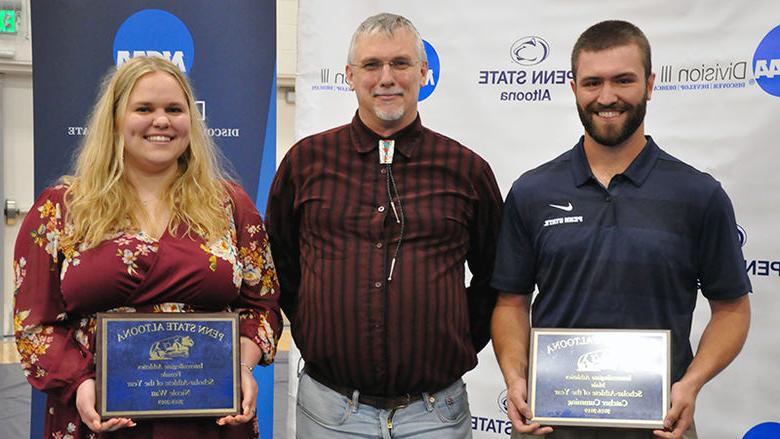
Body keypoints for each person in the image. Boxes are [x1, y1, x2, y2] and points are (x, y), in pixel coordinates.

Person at [490, 20, 751, 439]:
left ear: (649, 84)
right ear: (573, 88)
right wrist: (515, 378)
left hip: (661, 425)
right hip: (550, 424)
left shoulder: (698, 194)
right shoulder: (532, 191)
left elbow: (732, 310)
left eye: (623, 80)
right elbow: (511, 303)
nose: (606, 97)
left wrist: (691, 383)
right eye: (592, 82)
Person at [13, 56, 281, 438]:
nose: (161, 121)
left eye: (175, 109)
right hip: (98, 418)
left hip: (211, 423)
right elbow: (34, 324)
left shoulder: (230, 205)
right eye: (144, 108)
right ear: (116, 119)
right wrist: (80, 384)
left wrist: (240, 365)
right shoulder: (61, 208)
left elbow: (262, 306)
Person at [266, 12, 502, 438]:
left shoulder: (466, 170)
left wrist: (457, 338)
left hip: (435, 414)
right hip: (330, 411)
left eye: (401, 63)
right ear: (350, 75)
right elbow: (279, 262)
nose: (387, 78)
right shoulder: (306, 163)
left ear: (423, 72)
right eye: (372, 65)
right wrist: (313, 325)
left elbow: (495, 275)